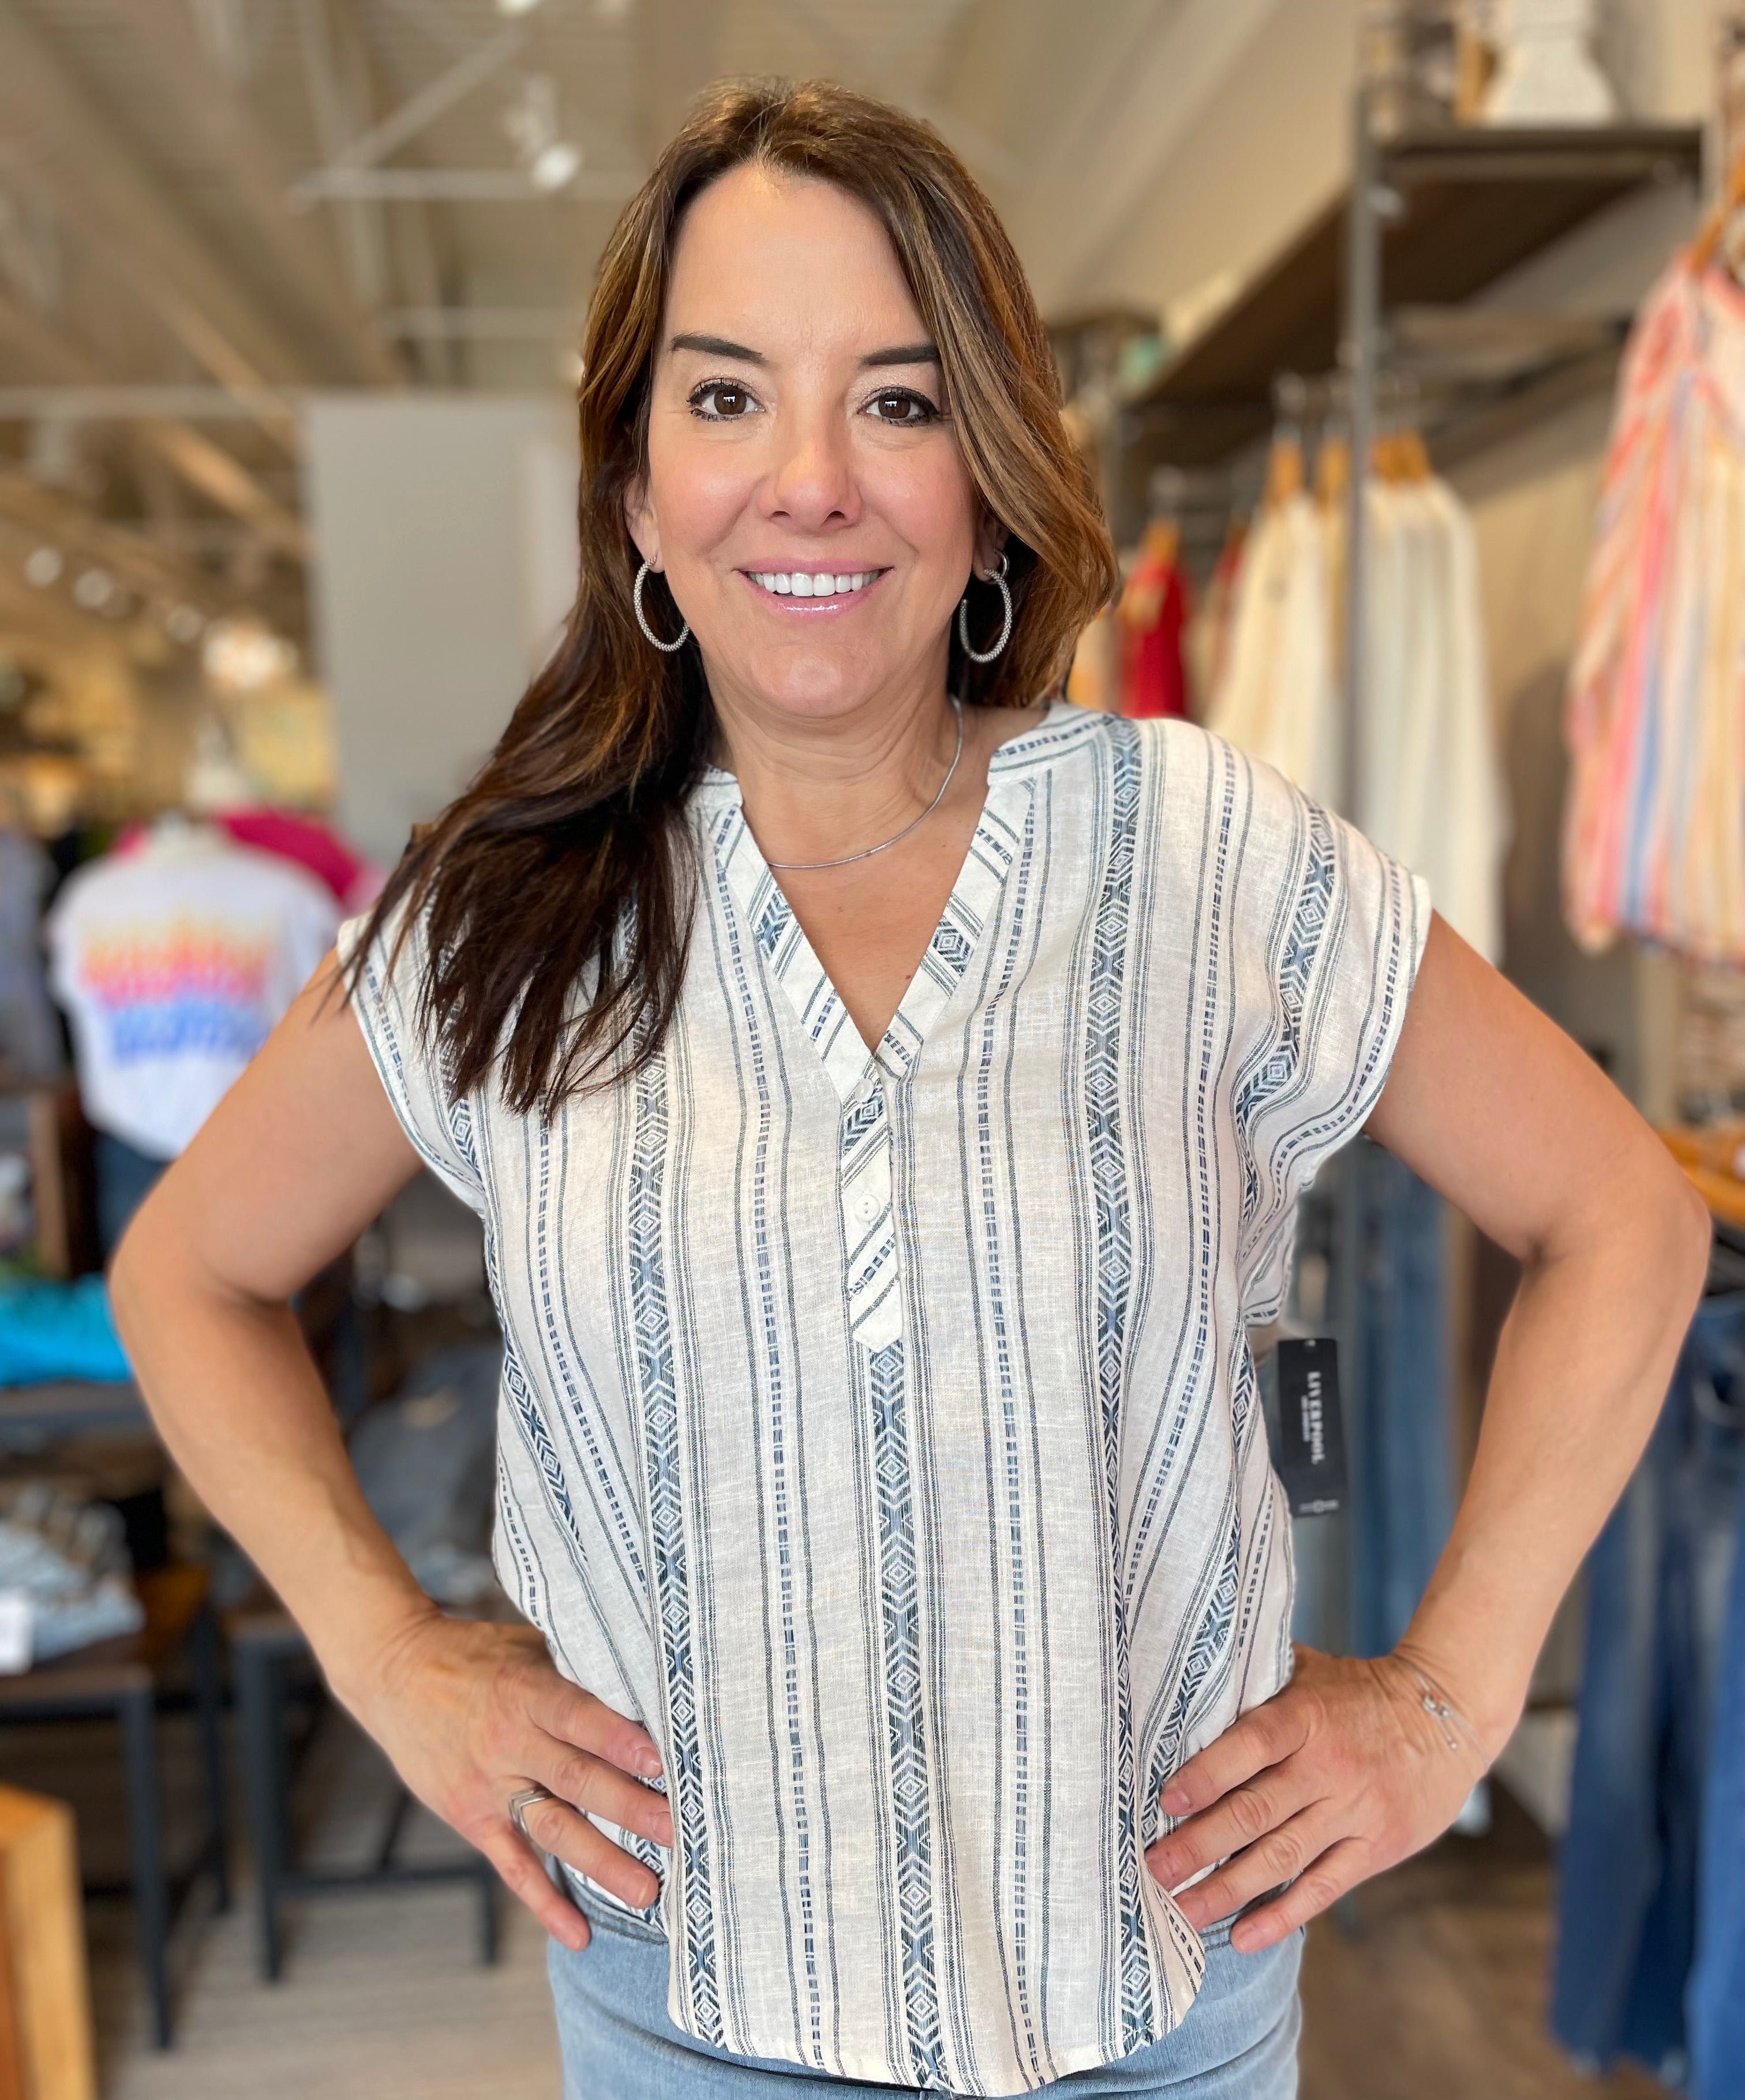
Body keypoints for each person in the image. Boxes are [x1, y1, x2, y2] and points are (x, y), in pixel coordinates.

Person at [111, 79, 1709, 2100]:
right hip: (689, 2009)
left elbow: (1622, 1213)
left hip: (1155, 2000)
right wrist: (388, 1652)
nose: (810, 482)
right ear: (635, 494)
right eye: (726, 398)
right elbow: (189, 1275)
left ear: (988, 476)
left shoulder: (1198, 852)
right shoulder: (502, 916)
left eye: (896, 400)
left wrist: (1451, 1700)